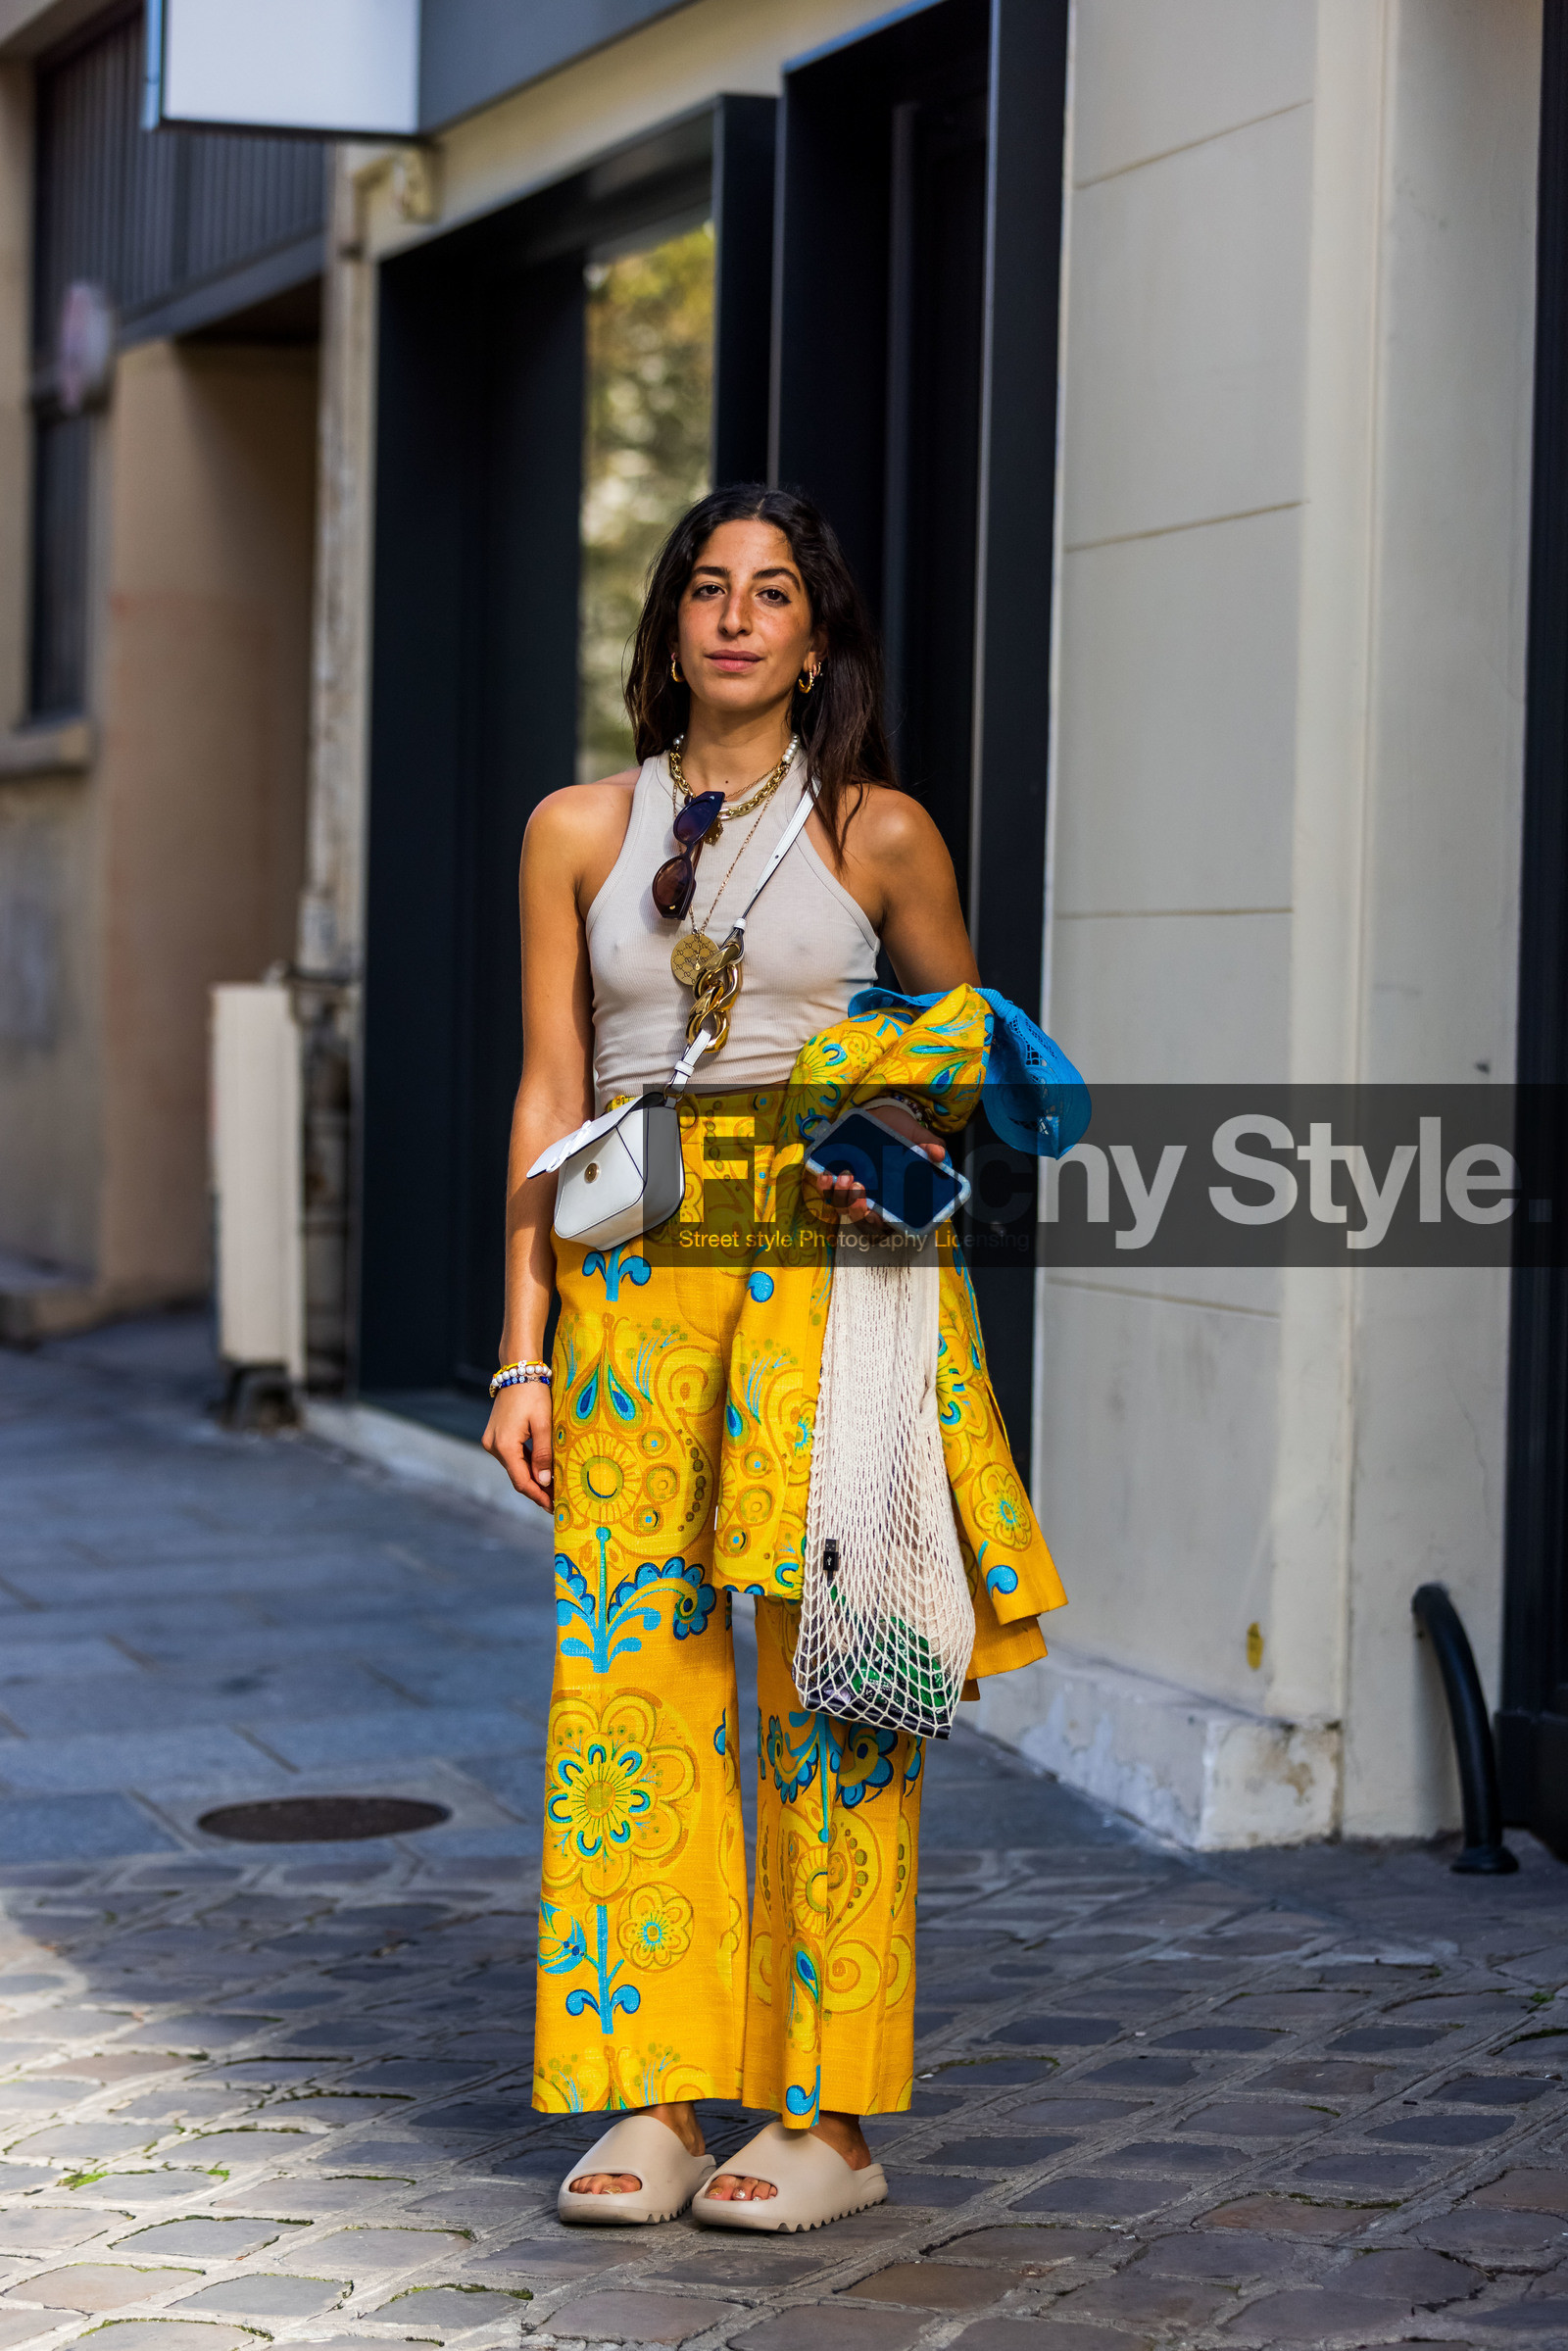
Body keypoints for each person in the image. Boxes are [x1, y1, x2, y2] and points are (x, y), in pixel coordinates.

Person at [483, 483, 1063, 2232]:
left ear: (818, 639)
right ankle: (655, 2099)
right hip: (631, 1293)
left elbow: (973, 1059)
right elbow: (550, 1092)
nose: (740, 617)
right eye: (711, 589)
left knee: (837, 1680)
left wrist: (885, 1131)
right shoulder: (576, 827)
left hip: (827, 1282)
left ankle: (826, 2120)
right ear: (668, 626)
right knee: (629, 1687)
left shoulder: (879, 833)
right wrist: (520, 1354)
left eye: (778, 592)